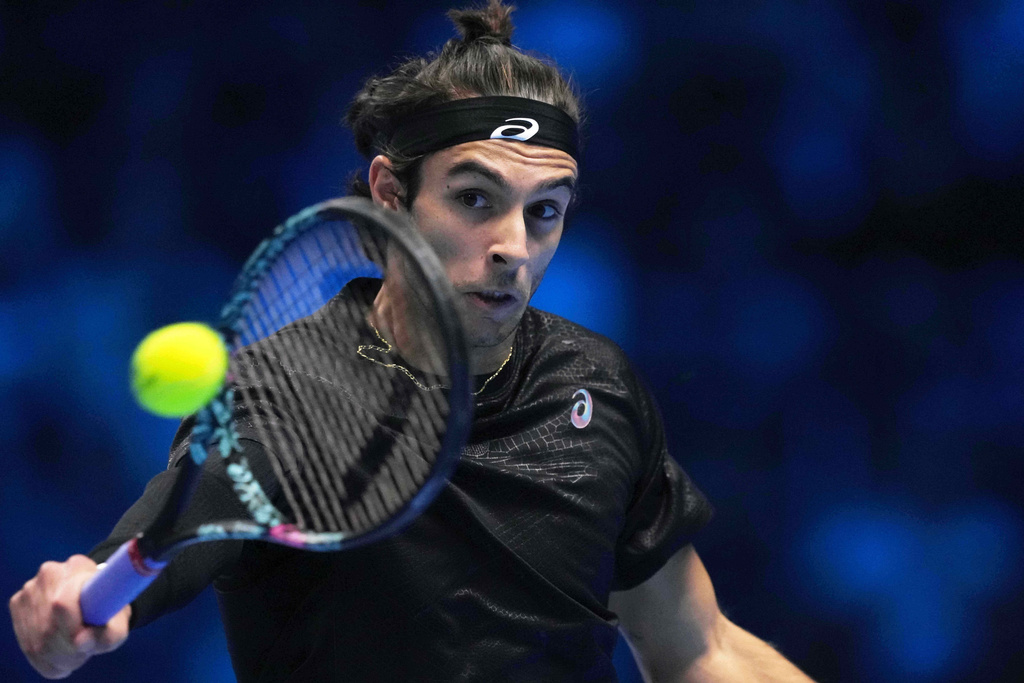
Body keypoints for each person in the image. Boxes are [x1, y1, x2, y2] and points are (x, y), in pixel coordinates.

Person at [10, 2, 817, 681]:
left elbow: (696, 647)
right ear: (391, 193)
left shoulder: (596, 385)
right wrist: (74, 594)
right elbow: (147, 547)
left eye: (545, 210)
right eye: (475, 197)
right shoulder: (281, 400)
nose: (514, 246)